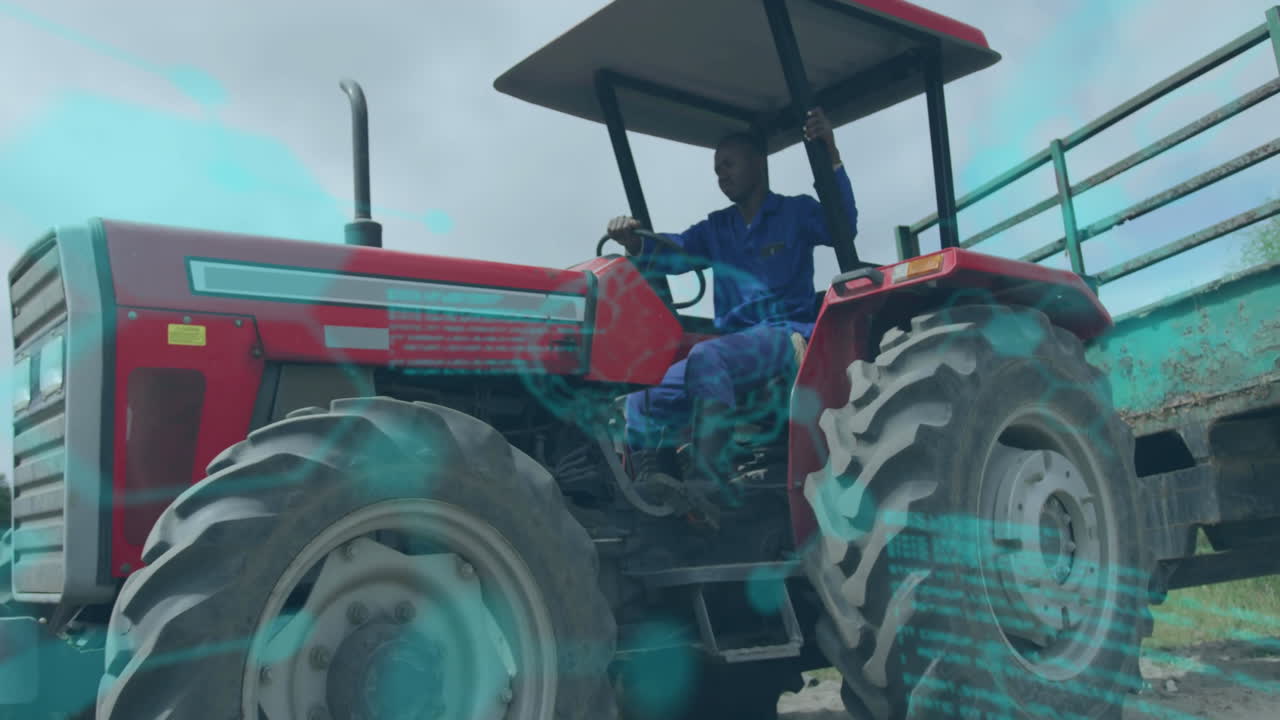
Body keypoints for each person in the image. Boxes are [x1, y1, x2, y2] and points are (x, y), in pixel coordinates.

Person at [605, 107, 857, 501]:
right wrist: (635, 242)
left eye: (728, 164)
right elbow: (676, 253)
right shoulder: (717, 228)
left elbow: (843, 224)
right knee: (642, 397)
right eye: (716, 169)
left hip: (785, 336)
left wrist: (833, 155)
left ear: (758, 163)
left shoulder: (795, 212)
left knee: (709, 359)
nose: (721, 175)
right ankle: (658, 493)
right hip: (735, 344)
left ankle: (709, 486)